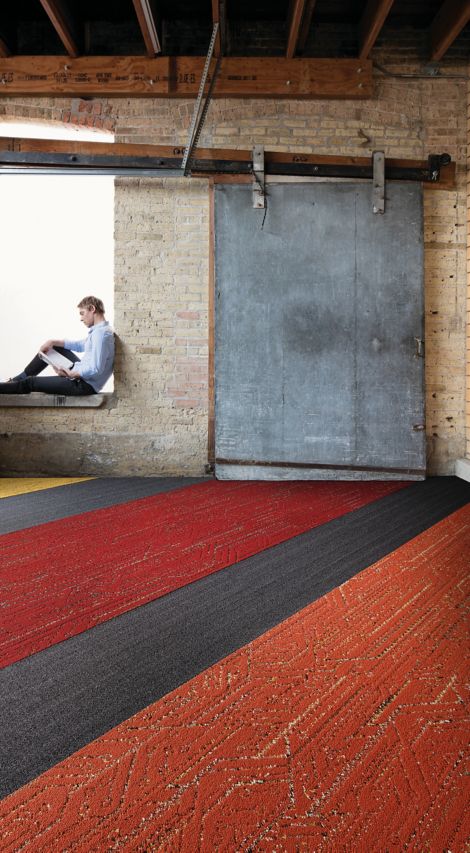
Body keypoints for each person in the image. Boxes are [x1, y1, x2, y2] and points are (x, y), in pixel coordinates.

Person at [0, 296, 114, 396]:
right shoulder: (99, 331)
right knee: (53, 348)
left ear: (92, 309)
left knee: (30, 382)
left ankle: (13, 384)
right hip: (82, 376)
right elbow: (80, 345)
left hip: (84, 384)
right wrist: (53, 342)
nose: (81, 318)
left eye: (82, 313)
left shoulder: (101, 334)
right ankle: (17, 379)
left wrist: (71, 374)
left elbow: (96, 368)